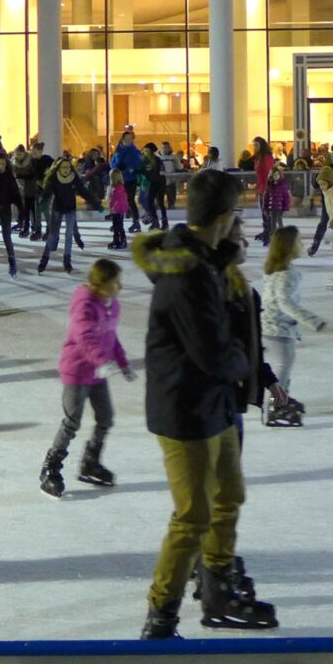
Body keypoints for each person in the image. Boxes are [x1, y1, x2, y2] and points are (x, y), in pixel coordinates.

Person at [133, 169, 277, 639]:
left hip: (211, 403)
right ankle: (161, 615)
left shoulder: (202, 261)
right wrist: (244, 365)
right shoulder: (186, 273)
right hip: (183, 408)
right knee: (192, 514)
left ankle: (216, 588)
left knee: (228, 495)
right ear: (223, 215)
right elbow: (213, 352)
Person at [37, 258, 135, 498]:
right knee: (72, 422)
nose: (119, 287)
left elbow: (111, 337)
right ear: (101, 284)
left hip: (97, 374)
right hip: (77, 372)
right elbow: (85, 338)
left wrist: (122, 362)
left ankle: (90, 462)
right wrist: (103, 360)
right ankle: (50, 469)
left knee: (106, 418)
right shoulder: (85, 305)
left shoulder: (111, 305)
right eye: (115, 282)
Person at [260, 226, 327, 426]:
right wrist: (313, 320)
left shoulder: (278, 270)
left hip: (274, 325)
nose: (302, 244)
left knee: (284, 366)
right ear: (289, 247)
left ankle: (281, 399)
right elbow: (285, 302)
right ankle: (275, 405)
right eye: (299, 241)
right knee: (283, 366)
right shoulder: (287, 273)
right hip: (277, 328)